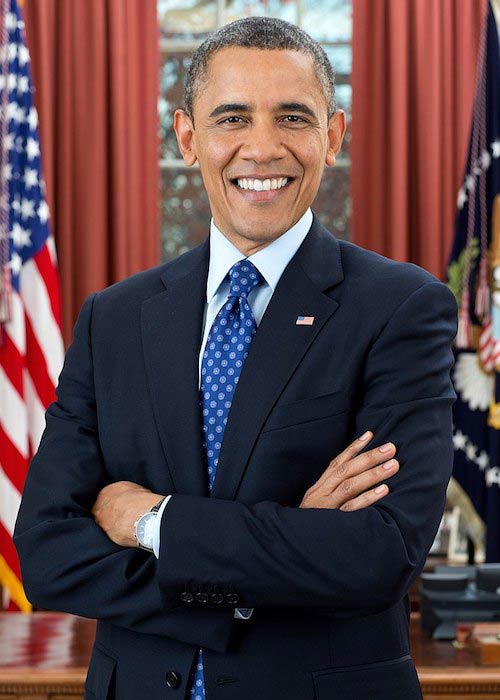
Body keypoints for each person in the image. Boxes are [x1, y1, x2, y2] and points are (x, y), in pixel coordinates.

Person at [14, 16, 457, 700]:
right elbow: (46, 555)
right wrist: (274, 559)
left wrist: (151, 522)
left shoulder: (402, 309)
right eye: (232, 118)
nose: (262, 147)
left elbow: (378, 556)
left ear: (333, 136)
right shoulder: (115, 318)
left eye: (292, 117)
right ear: (188, 137)